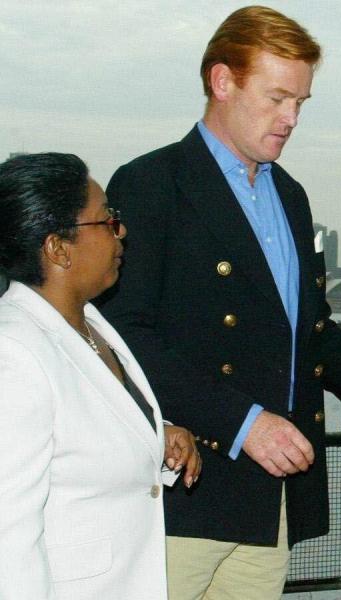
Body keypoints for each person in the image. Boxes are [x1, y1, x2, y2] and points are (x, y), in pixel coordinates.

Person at [96, 6, 341, 598]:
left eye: (300, 103)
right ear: (222, 82)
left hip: (267, 503)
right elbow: (123, 336)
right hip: (182, 494)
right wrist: (243, 423)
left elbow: (310, 331)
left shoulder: (292, 196)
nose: (291, 118)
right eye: (277, 98)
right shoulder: (152, 184)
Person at [0, 152, 201, 599]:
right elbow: (7, 538)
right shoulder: (13, 353)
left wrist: (155, 434)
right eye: (106, 219)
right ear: (57, 247)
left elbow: (81, 429)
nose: (121, 230)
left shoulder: (91, 324)